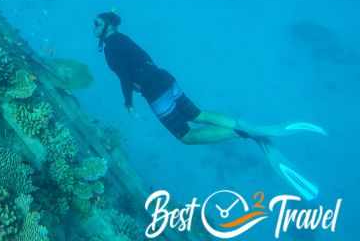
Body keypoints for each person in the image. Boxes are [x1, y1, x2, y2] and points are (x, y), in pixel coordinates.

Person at [95, 11, 327, 199]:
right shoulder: (124, 38)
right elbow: (146, 57)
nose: (93, 27)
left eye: (97, 23)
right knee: (198, 114)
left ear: (107, 26)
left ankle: (242, 132)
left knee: (185, 135)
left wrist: (129, 103)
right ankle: (246, 126)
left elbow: (124, 76)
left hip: (154, 91)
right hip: (165, 78)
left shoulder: (110, 48)